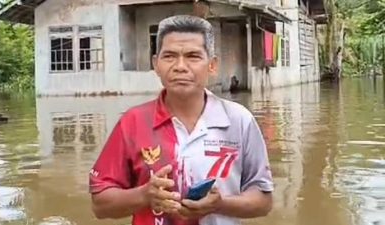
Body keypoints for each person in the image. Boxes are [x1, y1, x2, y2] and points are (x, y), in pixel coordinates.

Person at [89, 15, 273, 225]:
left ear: (212, 65)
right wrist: (144, 195)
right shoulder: (133, 122)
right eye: (169, 56)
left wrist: (219, 204)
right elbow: (100, 205)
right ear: (156, 64)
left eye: (193, 56)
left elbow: (264, 199)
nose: (180, 66)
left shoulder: (239, 121)